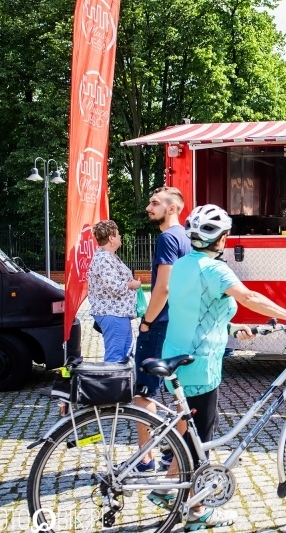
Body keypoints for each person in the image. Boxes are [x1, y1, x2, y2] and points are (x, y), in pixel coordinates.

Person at [146, 204, 286, 529]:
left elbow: (195, 309)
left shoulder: (181, 265)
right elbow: (250, 297)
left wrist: (234, 328)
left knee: (187, 437)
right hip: (199, 365)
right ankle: (196, 512)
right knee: (201, 443)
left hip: (177, 356)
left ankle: (167, 489)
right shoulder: (215, 270)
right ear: (221, 238)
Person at [133, 187, 192, 471]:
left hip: (160, 324)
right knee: (180, 393)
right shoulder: (187, 238)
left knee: (143, 393)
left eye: (154, 203)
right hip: (180, 323)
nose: (148, 207)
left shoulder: (168, 237)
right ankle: (176, 456)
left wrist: (147, 321)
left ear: (172, 209)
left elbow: (163, 286)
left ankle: (144, 459)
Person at [87, 220, 142, 362]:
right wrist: (133, 284)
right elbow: (115, 286)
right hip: (112, 313)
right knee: (115, 357)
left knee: (126, 353)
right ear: (111, 238)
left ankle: (123, 383)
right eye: (118, 234)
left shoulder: (109, 257)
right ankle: (112, 383)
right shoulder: (104, 258)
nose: (120, 236)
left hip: (119, 314)